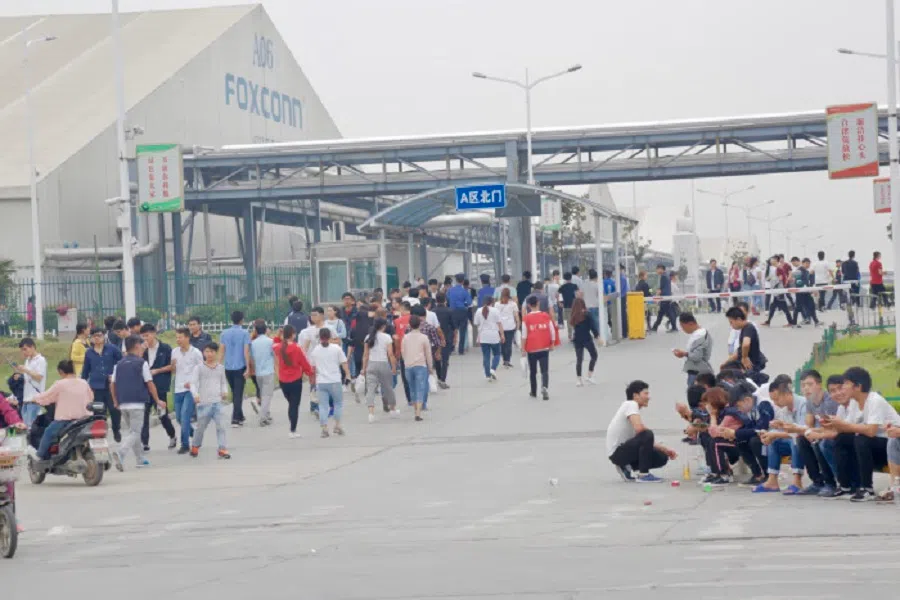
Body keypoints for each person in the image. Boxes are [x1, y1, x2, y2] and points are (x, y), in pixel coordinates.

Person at [823, 367, 900, 502]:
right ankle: (846, 487)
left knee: (861, 439)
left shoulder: (875, 400)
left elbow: (871, 431)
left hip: (891, 445)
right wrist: (833, 424)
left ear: (858, 386)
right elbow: (847, 428)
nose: (843, 387)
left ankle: (867, 489)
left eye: (846, 384)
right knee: (842, 439)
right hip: (873, 445)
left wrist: (843, 425)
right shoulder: (854, 402)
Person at [111, 335, 164, 470]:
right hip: (137, 404)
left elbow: (112, 384)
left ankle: (140, 459)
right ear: (136, 346)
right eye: (142, 345)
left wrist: (115, 400)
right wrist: (157, 400)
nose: (143, 347)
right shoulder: (142, 363)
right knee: (135, 432)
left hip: (123, 404)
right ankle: (121, 452)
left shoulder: (119, 364)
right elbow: (150, 383)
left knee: (133, 432)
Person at [607, 380, 677, 483]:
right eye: (646, 393)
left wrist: (664, 449)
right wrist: (648, 432)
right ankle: (643, 475)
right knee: (647, 434)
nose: (649, 397)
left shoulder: (630, 408)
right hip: (617, 453)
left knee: (662, 457)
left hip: (623, 451)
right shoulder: (631, 404)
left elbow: (643, 440)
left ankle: (627, 466)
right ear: (635, 395)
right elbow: (640, 430)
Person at [750, 374, 808, 494]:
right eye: (773, 400)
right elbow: (785, 430)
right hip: (795, 439)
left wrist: (775, 434)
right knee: (774, 441)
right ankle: (772, 481)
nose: (775, 403)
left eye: (777, 399)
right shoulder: (785, 408)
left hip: (808, 439)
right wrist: (771, 433)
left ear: (787, 394)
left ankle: (797, 481)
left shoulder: (803, 404)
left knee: (795, 441)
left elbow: (802, 431)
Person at [31, 360, 94, 461]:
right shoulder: (84, 382)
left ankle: (39, 455)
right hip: (84, 418)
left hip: (65, 420)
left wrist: (35, 398)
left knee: (48, 432)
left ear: (61, 371)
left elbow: (46, 396)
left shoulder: (60, 384)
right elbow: (91, 397)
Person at [794, 369, 839, 495]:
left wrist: (813, 434)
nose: (806, 388)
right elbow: (809, 424)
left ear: (819, 385)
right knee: (802, 439)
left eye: (810, 384)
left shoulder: (830, 400)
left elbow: (832, 427)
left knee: (820, 441)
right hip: (821, 432)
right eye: (803, 385)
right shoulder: (809, 401)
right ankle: (817, 482)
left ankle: (831, 483)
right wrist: (807, 433)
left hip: (833, 434)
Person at [189, 342, 231, 459]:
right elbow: (193, 383)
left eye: (212, 352)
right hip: (203, 403)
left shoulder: (220, 368)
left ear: (216, 353)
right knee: (200, 428)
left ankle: (222, 448)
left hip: (217, 403)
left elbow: (223, 382)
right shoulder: (199, 368)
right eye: (207, 351)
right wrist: (195, 394)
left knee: (221, 426)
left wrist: (224, 391)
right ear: (203, 353)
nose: (209, 354)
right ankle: (195, 446)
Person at [274, 324, 316, 438]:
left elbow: (274, 342)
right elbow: (304, 363)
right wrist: (311, 373)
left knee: (291, 404)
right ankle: (293, 429)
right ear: (293, 334)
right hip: (295, 379)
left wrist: (278, 336)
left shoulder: (278, 347)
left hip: (283, 380)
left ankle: (292, 427)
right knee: (294, 405)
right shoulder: (297, 348)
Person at [81, 327, 122, 442]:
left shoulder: (112, 349)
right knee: (99, 411)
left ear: (104, 336)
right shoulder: (89, 352)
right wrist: (82, 383)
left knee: (114, 409)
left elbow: (121, 363)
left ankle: (116, 429)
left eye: (99, 335)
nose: (97, 338)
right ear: (91, 338)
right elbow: (86, 370)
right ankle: (100, 433)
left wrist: (115, 374)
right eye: (94, 336)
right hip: (96, 386)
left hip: (111, 385)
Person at [140, 324, 177, 451]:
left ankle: (172, 435)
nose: (146, 339)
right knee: (144, 413)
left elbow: (172, 367)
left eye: (147, 336)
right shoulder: (141, 350)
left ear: (154, 334)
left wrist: (157, 370)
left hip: (160, 386)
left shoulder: (165, 348)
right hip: (145, 387)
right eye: (143, 336)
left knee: (162, 414)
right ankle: (144, 442)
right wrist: (140, 351)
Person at [309, 327, 350, 438]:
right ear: (330, 336)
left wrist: (312, 381)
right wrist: (348, 375)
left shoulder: (315, 350)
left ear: (320, 337)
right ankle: (337, 425)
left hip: (321, 381)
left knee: (323, 406)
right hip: (335, 380)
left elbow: (312, 367)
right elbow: (344, 362)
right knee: (338, 404)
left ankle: (324, 429)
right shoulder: (336, 348)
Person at [171, 327, 204, 454]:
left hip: (190, 389)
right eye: (177, 337)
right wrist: (172, 366)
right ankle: (195, 434)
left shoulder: (196, 353)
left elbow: (201, 370)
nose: (178, 340)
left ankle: (185, 444)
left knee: (185, 416)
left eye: (180, 337)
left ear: (187, 337)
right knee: (179, 418)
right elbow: (174, 371)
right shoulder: (174, 352)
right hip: (178, 388)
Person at [218, 310, 251, 427]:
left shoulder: (224, 333)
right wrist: (248, 367)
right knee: (238, 393)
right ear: (242, 320)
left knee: (235, 392)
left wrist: (218, 365)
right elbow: (246, 351)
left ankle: (240, 416)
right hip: (240, 367)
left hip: (228, 367)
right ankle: (235, 419)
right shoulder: (245, 333)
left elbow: (221, 351)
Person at [362, 318, 397, 421]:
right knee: (388, 388)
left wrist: (364, 369)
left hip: (371, 365)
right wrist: (394, 367)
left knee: (371, 389)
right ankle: (393, 409)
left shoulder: (368, 337)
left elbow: (365, 355)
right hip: (383, 364)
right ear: (383, 326)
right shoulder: (387, 337)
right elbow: (390, 354)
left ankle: (371, 413)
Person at [521, 295, 555, 401]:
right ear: (538, 303)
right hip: (544, 347)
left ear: (528, 306)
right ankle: (544, 386)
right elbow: (552, 330)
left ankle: (533, 391)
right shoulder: (545, 315)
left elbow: (524, 335)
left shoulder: (526, 318)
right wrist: (552, 343)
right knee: (544, 370)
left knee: (533, 371)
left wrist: (523, 348)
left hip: (532, 348)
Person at [400, 315, 432, 422]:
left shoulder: (405, 337)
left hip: (408, 365)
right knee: (420, 388)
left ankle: (415, 410)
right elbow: (428, 354)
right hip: (420, 365)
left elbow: (403, 352)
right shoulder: (424, 337)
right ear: (420, 324)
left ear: (409, 324)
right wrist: (430, 367)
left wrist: (405, 362)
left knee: (412, 388)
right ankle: (418, 412)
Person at [723, 306, 766, 376]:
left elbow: (746, 344)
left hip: (751, 367)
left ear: (739, 319)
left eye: (731, 322)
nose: (731, 325)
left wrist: (744, 357)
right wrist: (725, 363)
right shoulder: (743, 329)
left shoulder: (748, 328)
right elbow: (738, 352)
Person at [672, 313, 712, 387]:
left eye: (683, 326)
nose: (682, 329)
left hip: (698, 372)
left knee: (695, 395)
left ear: (690, 324)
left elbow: (697, 356)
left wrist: (684, 354)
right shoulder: (699, 334)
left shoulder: (700, 336)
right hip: (697, 370)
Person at [15, 337, 47, 429]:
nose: (24, 352)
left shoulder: (40, 360)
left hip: (34, 399)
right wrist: (21, 374)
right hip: (26, 399)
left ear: (32, 347)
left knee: (31, 429)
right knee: (25, 428)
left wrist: (26, 370)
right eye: (22, 350)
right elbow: (29, 377)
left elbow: (39, 377)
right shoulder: (27, 361)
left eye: (25, 349)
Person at [249, 321, 276, 426]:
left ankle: (266, 414)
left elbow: (251, 358)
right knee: (267, 395)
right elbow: (274, 355)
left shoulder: (253, 343)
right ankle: (262, 417)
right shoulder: (270, 342)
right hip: (268, 371)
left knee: (263, 394)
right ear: (266, 330)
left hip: (258, 373)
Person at [569, 297, 598, 386]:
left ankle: (579, 380)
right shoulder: (587, 314)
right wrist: (597, 336)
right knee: (594, 355)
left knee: (579, 359)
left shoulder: (573, 316)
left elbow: (573, 328)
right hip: (587, 338)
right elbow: (592, 326)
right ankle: (589, 375)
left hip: (577, 339)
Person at [473, 296, 504, 382]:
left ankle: (487, 375)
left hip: (483, 336)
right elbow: (499, 324)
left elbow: (476, 323)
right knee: (497, 354)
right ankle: (493, 369)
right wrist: (502, 335)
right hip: (494, 336)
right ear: (492, 302)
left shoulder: (479, 310)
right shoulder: (495, 310)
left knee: (486, 356)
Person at [762, 256, 795, 327]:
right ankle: (768, 321)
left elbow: (780, 279)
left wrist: (772, 281)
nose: (771, 261)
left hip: (779, 291)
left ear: (776, 260)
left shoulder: (778, 269)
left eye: (772, 259)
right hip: (777, 291)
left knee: (784, 308)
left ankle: (791, 322)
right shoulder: (777, 268)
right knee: (773, 307)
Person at [432, 293, 455, 388]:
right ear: (445, 300)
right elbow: (453, 325)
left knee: (437, 359)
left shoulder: (432, 311)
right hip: (446, 337)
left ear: (436, 301)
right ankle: (443, 379)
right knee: (445, 360)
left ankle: (439, 377)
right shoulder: (450, 311)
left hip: (435, 338)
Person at [447, 274, 472, 355]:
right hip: (462, 312)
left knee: (452, 330)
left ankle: (451, 348)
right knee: (462, 331)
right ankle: (461, 350)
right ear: (463, 281)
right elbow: (469, 302)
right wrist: (463, 303)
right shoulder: (465, 291)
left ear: (456, 280)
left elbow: (447, 298)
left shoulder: (450, 290)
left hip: (452, 311)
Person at [791, 258, 819, 326]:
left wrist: (811, 289)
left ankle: (816, 321)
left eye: (809, 263)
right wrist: (804, 286)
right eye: (806, 263)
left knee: (811, 306)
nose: (808, 265)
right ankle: (794, 322)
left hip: (806, 293)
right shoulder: (799, 270)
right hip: (800, 293)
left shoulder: (806, 272)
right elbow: (797, 281)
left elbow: (807, 283)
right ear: (802, 263)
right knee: (797, 308)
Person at [496, 287, 520, 369]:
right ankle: (508, 361)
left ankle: (504, 360)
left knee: (502, 344)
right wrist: (518, 324)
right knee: (509, 344)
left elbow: (496, 316)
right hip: (510, 326)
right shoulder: (513, 304)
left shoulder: (497, 304)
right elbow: (516, 316)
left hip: (500, 327)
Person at [650, 264, 676, 333]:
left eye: (657, 269)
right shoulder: (666, 275)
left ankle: (674, 328)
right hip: (666, 297)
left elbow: (660, 289)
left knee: (668, 313)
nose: (657, 271)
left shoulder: (663, 277)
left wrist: (656, 297)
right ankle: (655, 327)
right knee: (661, 313)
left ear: (661, 269)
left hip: (665, 298)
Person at [557, 272, 578, 338]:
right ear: (571, 278)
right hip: (574, 305)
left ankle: (570, 334)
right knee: (575, 320)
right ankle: (575, 334)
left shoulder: (562, 287)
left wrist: (559, 302)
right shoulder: (575, 286)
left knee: (569, 321)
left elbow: (556, 294)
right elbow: (578, 294)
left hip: (566, 306)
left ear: (564, 278)